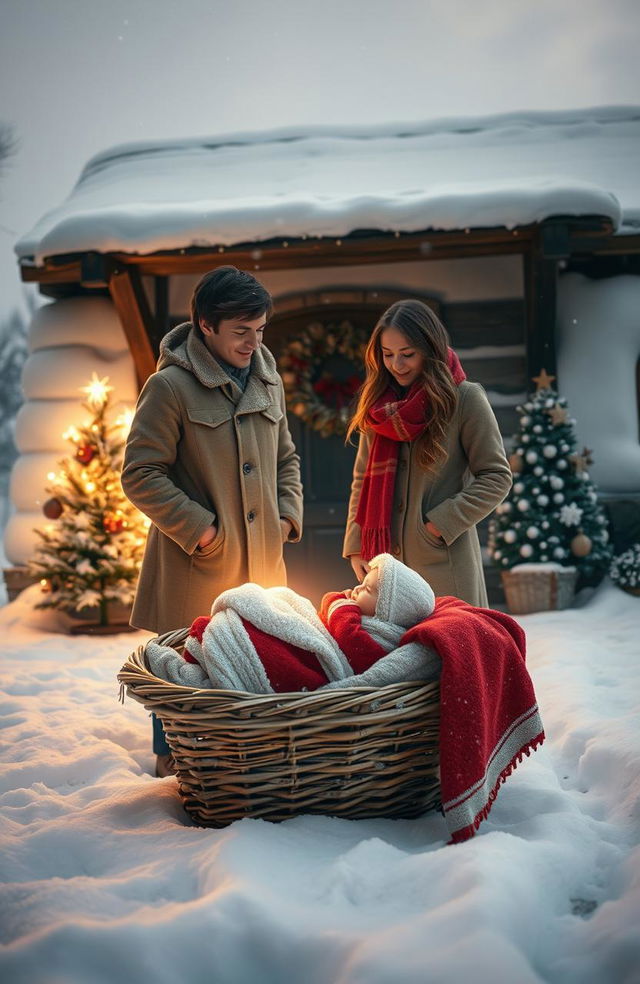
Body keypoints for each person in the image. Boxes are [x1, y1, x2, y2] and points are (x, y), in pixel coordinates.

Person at [121, 265, 303, 775]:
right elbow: (140, 473)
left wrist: (286, 518)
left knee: (253, 669)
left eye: (260, 329)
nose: (253, 342)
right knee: (188, 675)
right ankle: (175, 771)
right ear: (205, 325)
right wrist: (200, 530)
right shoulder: (169, 387)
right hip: (197, 568)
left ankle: (243, 772)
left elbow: (286, 459)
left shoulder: (268, 379)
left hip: (263, 570)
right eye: (241, 331)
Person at [343, 299, 512, 606]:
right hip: (386, 568)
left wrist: (439, 524)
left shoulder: (464, 399)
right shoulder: (378, 406)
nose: (397, 365)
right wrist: (356, 543)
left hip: (443, 562)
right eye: (388, 354)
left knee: (451, 649)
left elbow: (496, 476)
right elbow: (361, 479)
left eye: (408, 354)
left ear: (430, 349)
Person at [146, 553, 438, 695]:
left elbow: (345, 641)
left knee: (269, 654)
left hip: (316, 666)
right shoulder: (367, 618)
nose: (357, 589)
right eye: (363, 582)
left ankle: (200, 676)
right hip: (312, 642)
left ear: (388, 609)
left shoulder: (382, 640)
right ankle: (211, 657)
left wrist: (340, 604)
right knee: (270, 614)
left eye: (369, 589)